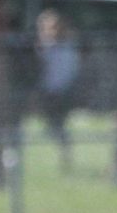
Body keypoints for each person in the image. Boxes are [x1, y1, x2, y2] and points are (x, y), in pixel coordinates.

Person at [32, 11, 82, 172]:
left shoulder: (66, 48)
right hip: (48, 92)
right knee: (52, 126)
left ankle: (65, 158)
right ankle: (62, 156)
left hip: (61, 93)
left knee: (58, 126)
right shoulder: (45, 48)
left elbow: (69, 72)